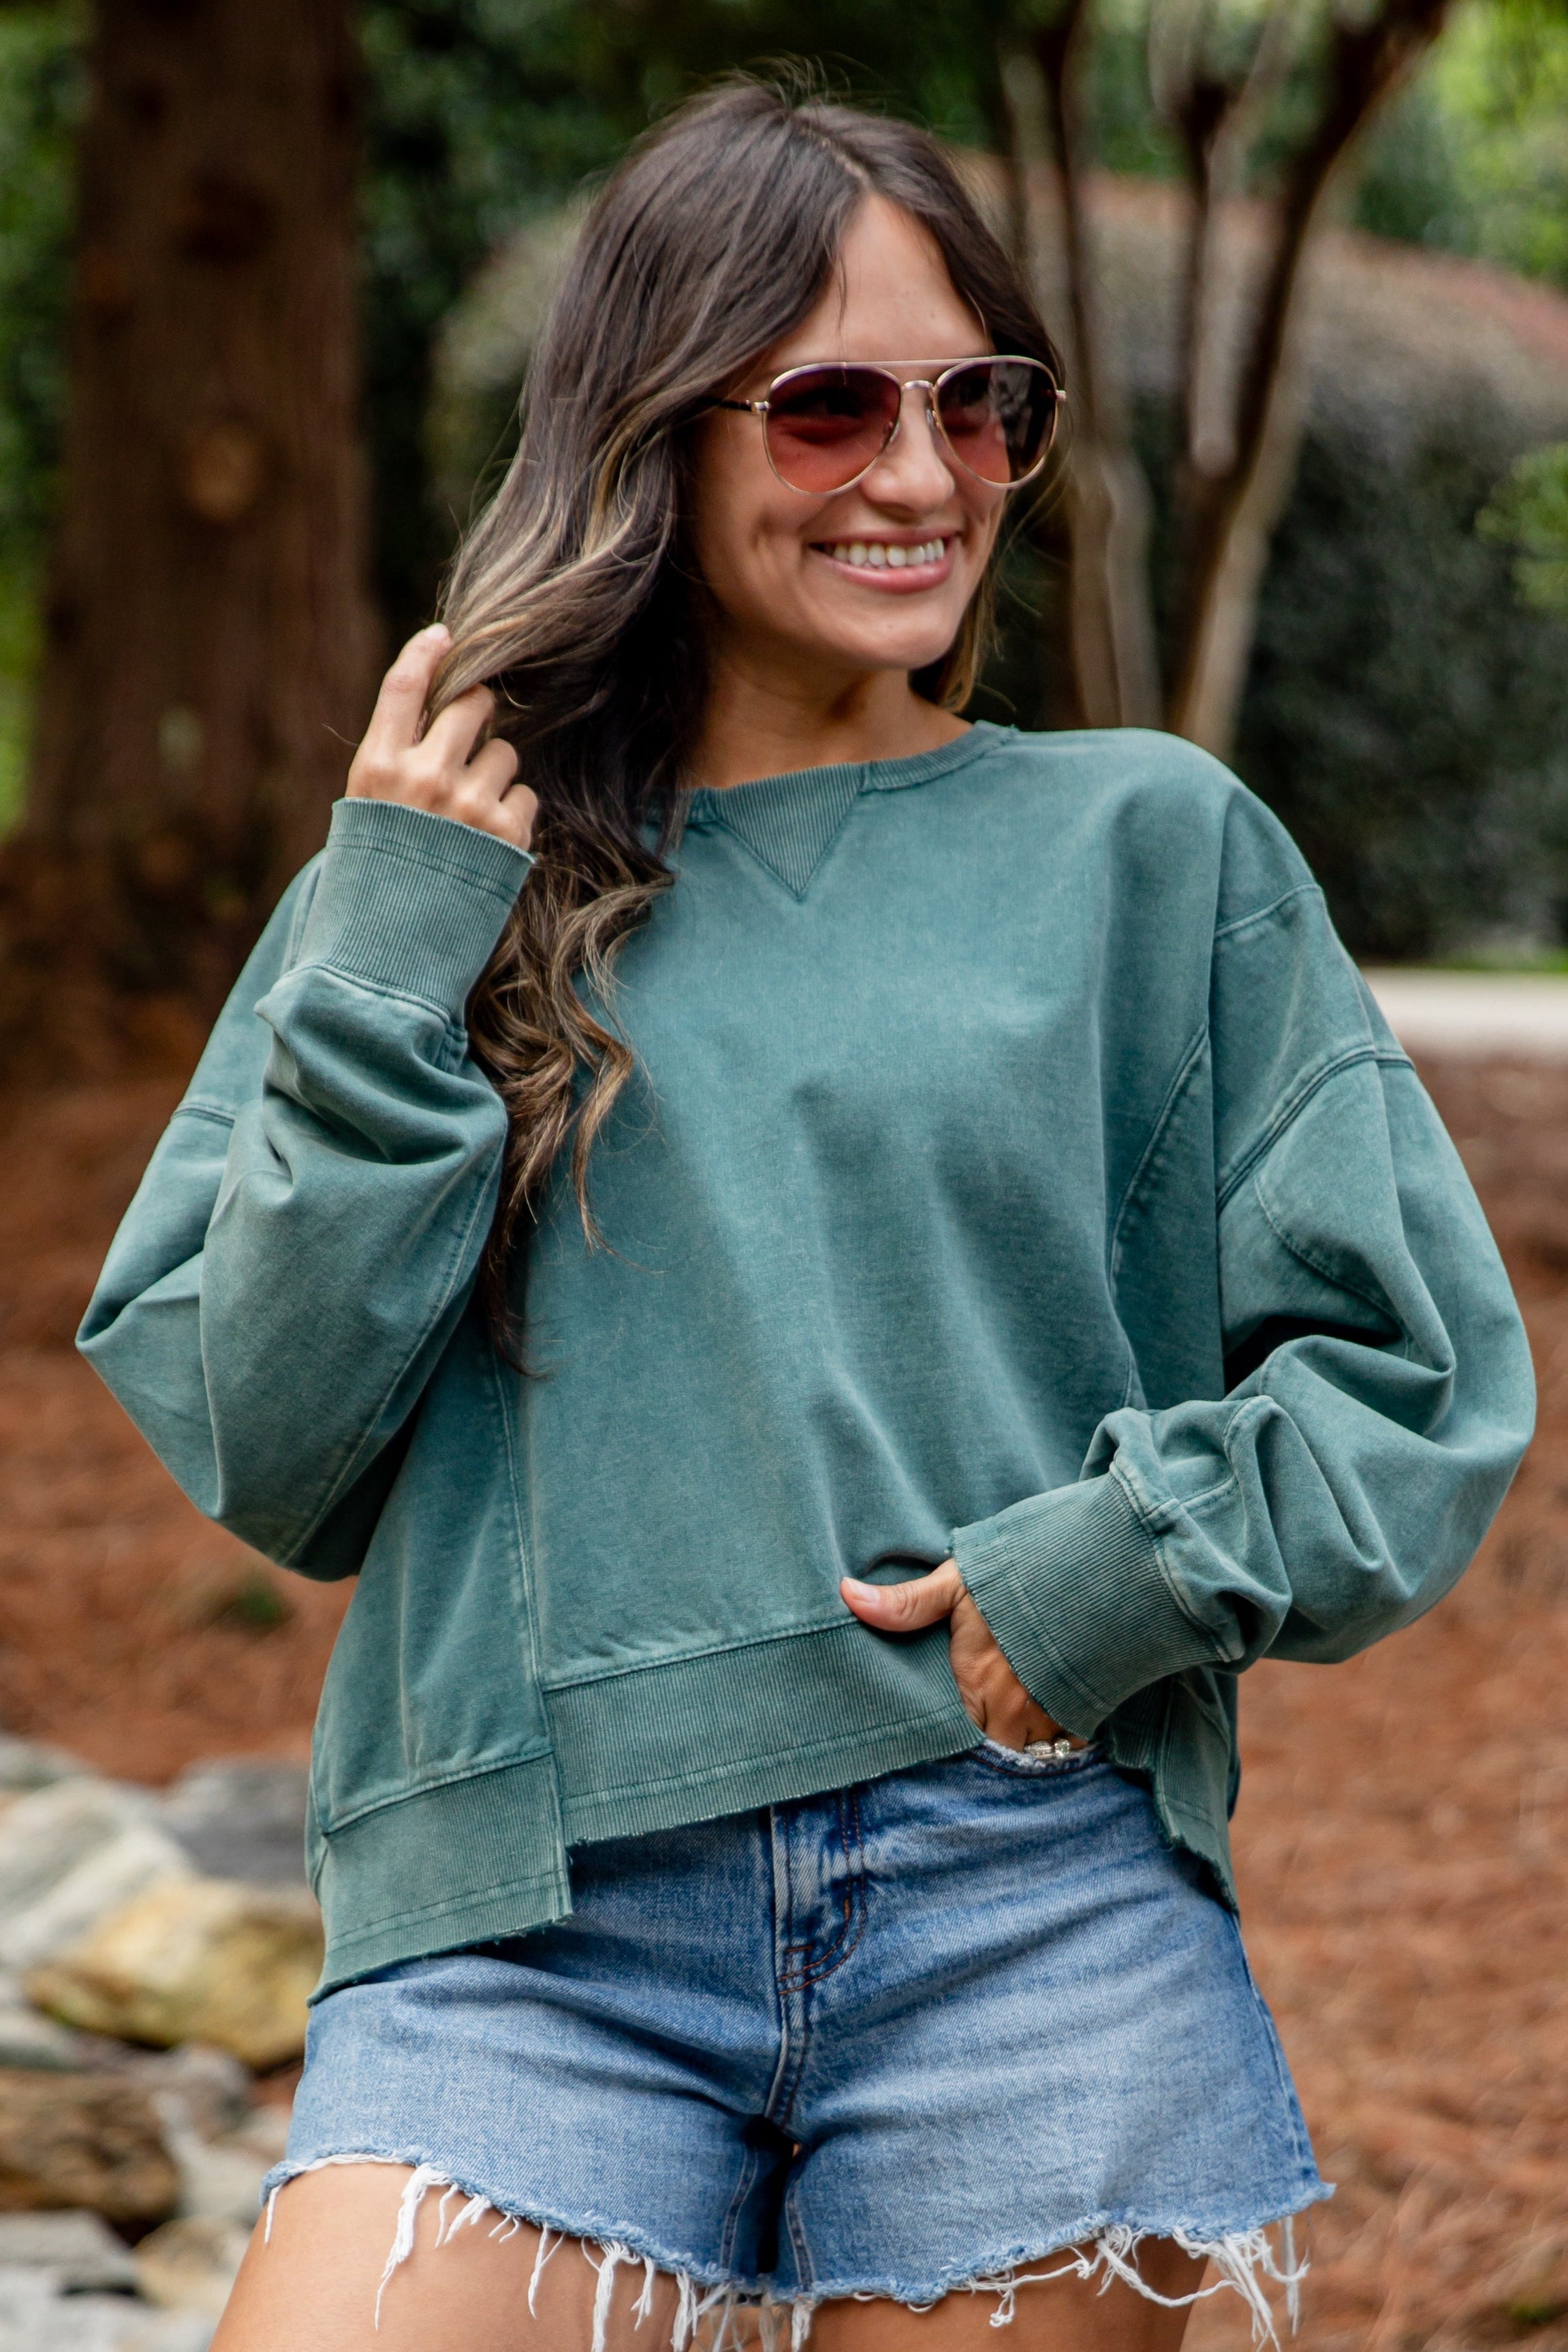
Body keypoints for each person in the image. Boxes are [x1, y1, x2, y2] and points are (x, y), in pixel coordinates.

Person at [80, 78, 1533, 2352]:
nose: (923, 475)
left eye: (985, 403)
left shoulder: (1150, 849)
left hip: (1021, 1898)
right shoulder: (447, 875)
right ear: (652, 432)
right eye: (834, 404)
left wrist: (1111, 1577)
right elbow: (274, 1448)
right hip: (528, 1926)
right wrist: (384, 959)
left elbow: (1422, 1379)